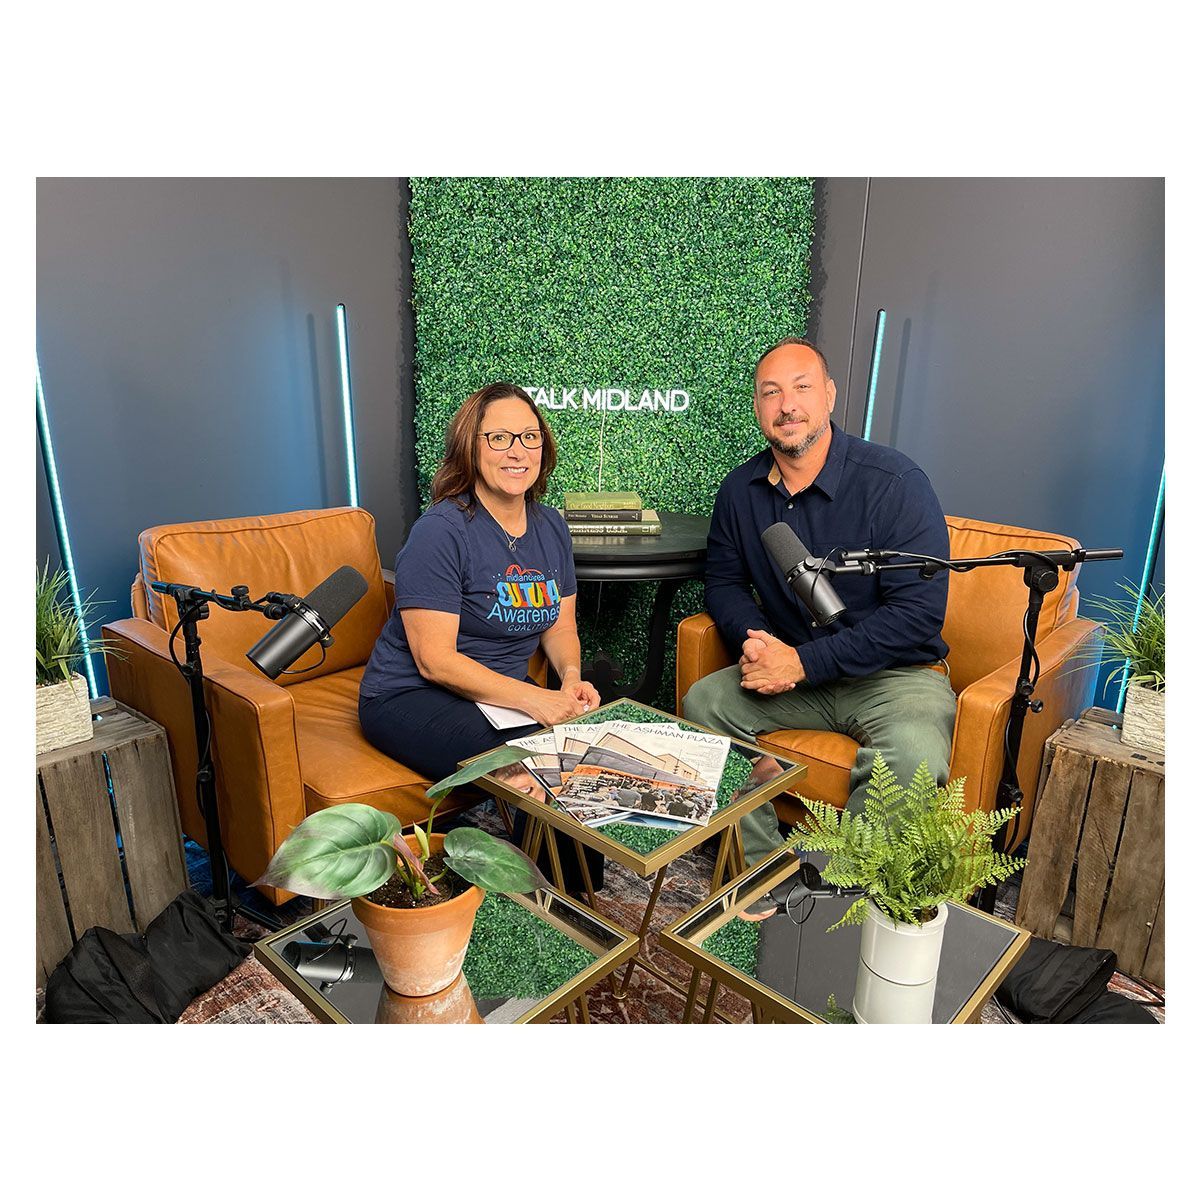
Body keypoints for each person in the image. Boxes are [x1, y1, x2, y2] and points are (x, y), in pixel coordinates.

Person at [681, 337, 957, 894]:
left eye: (802, 387)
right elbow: (725, 583)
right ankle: (764, 877)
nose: (788, 405)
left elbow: (917, 616)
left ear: (829, 395)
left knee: (914, 755)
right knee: (704, 704)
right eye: (771, 392)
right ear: (757, 406)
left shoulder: (895, 483)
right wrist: (756, 640)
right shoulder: (740, 491)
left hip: (893, 676)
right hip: (792, 672)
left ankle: (843, 896)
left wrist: (803, 663)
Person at [358, 382, 603, 888]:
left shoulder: (551, 527)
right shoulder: (441, 531)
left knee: (585, 752)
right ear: (471, 447)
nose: (518, 451)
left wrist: (569, 679)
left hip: (497, 698)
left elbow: (561, 624)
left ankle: (577, 903)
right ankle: (547, 907)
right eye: (499, 438)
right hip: (409, 696)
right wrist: (534, 700)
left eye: (530, 437)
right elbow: (434, 661)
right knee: (543, 763)